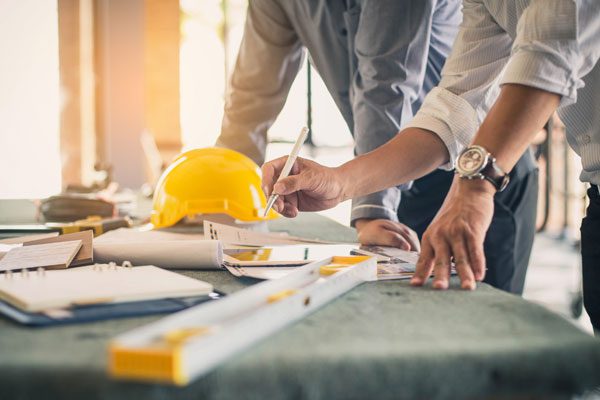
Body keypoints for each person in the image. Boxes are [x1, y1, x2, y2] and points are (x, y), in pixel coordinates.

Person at [261, 0, 600, 333]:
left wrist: (474, 188)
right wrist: (340, 182)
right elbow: (455, 108)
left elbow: (551, 53)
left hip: (507, 179)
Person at [217, 0, 539, 294]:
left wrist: (373, 209)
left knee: (484, 331)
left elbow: (386, 86)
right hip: (386, 172)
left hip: (480, 172)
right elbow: (252, 94)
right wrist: (221, 191)